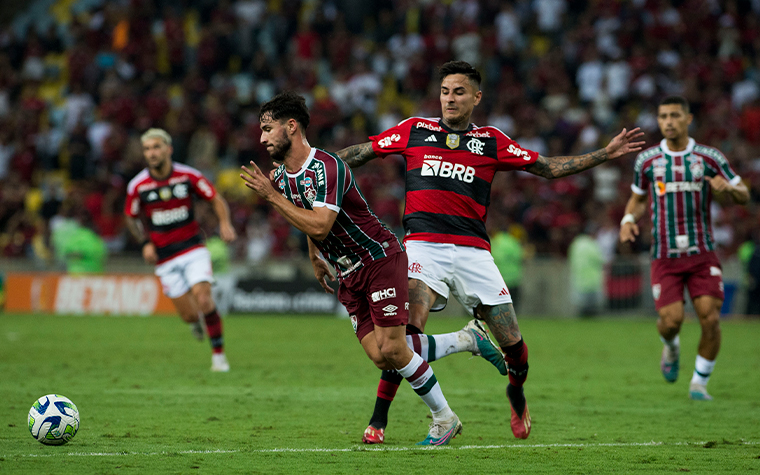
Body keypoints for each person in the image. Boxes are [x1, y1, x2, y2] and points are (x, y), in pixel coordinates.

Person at [336, 60, 644, 441]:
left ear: (476, 98)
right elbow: (358, 154)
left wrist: (603, 154)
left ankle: (515, 391)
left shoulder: (491, 141)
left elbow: (547, 167)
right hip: (421, 249)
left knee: (514, 345)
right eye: (446, 91)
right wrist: (312, 167)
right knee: (402, 336)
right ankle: (379, 420)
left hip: (473, 253)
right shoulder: (414, 130)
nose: (450, 99)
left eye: (459, 92)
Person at [240, 91, 505, 446]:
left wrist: (271, 197)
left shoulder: (327, 167)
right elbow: (306, 217)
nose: (262, 138)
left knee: (394, 349)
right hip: (348, 273)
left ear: (292, 127)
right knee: (382, 357)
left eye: (268, 128)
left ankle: (445, 418)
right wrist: (314, 256)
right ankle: (468, 338)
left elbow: (320, 223)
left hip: (378, 259)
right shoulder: (284, 177)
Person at [619, 96, 750, 400]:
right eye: (663, 115)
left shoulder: (709, 158)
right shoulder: (647, 160)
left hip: (702, 253)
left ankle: (699, 383)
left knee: (711, 318)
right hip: (664, 256)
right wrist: (627, 219)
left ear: (688, 119)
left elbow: (744, 193)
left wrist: (728, 189)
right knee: (670, 322)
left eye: (675, 115)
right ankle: (671, 347)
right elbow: (638, 198)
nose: (668, 121)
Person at [125, 128, 237, 372]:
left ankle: (218, 356)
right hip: (165, 257)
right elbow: (131, 218)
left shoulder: (188, 176)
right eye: (147, 149)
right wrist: (145, 243)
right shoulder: (138, 185)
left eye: (156, 147)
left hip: (193, 248)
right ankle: (194, 323)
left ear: (168, 149)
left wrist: (225, 223)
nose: (152, 153)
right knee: (188, 315)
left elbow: (215, 198)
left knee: (204, 298)